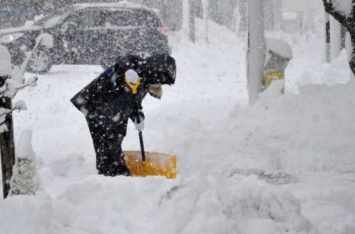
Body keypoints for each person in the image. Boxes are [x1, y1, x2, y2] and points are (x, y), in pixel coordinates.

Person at [70, 54, 176, 176]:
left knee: (114, 137)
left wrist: (137, 115)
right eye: (163, 77)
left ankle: (110, 172)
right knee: (109, 138)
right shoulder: (135, 63)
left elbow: (134, 102)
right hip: (98, 104)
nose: (161, 81)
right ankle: (115, 173)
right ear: (157, 67)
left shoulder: (144, 82)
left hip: (113, 110)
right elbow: (121, 62)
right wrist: (128, 70)